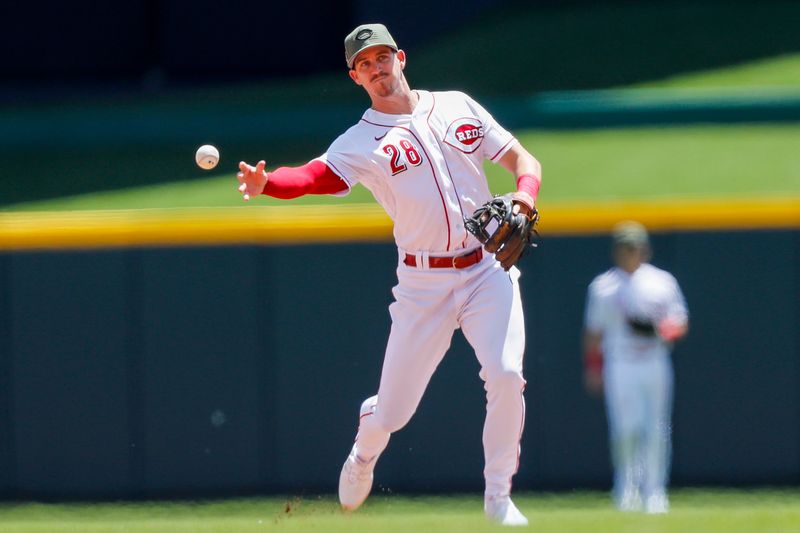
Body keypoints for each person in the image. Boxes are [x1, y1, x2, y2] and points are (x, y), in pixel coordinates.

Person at [236, 23, 541, 526]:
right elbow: (313, 176)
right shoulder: (360, 141)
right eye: (364, 65)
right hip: (424, 285)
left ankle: (497, 494)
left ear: (400, 57)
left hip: (487, 268)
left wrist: (525, 196)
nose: (376, 69)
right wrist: (268, 183)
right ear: (354, 77)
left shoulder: (456, 105)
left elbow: (520, 159)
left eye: (382, 57)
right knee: (395, 413)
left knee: (507, 375)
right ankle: (365, 447)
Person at [582, 221, 689, 514]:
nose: (631, 252)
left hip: (654, 360)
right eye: (626, 246)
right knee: (625, 428)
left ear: (645, 249)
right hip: (621, 363)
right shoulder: (603, 286)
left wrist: (659, 330)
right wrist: (593, 367)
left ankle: (655, 492)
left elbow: (679, 322)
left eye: (636, 246)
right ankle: (626, 489)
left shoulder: (662, 281)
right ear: (617, 250)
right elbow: (593, 333)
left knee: (656, 428)